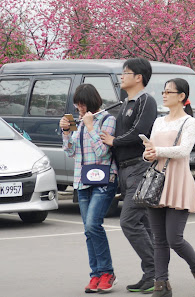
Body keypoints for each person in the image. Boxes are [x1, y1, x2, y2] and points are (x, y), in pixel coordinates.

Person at [142, 78, 195, 297]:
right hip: (157, 182)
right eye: (163, 91)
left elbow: (183, 150)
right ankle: (161, 284)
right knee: (159, 240)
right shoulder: (159, 121)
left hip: (178, 181)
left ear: (181, 96)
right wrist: (147, 153)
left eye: (169, 92)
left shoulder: (189, 122)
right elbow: (151, 150)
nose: (164, 95)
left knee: (174, 239)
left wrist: (158, 151)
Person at [100, 58, 157, 293]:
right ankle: (153, 274)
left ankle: (156, 271)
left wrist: (115, 141)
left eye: (126, 73)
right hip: (124, 169)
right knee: (143, 222)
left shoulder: (146, 101)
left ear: (138, 77)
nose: (121, 76)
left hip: (139, 168)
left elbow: (140, 132)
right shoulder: (124, 103)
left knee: (129, 221)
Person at [60, 84, 118, 293]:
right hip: (82, 180)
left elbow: (103, 152)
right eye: (77, 104)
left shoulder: (107, 120)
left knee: (93, 224)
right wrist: (67, 132)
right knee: (88, 230)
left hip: (103, 179)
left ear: (91, 102)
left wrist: (91, 126)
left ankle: (107, 273)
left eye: (82, 103)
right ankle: (96, 274)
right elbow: (71, 151)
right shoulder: (80, 122)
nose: (78, 107)